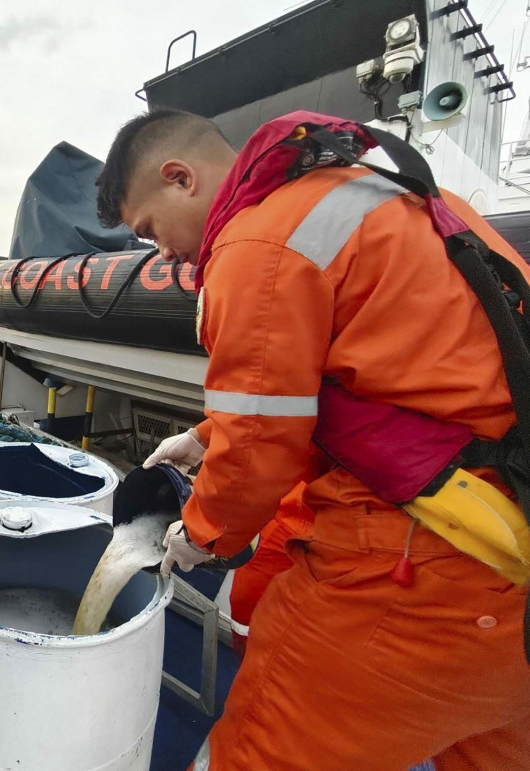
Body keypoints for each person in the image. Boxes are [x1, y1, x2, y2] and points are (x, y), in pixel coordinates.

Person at [98, 109, 530, 769]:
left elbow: (257, 453)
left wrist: (201, 533)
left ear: (179, 178)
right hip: (508, 563)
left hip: (413, 570)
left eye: (150, 230)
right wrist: (205, 436)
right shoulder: (406, 196)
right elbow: (411, 385)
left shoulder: (258, 244)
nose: (161, 254)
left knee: (259, 750)